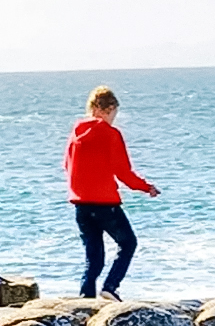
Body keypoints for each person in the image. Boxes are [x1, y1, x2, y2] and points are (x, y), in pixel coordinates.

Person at [64, 86, 159, 301]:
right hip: (105, 203)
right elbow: (123, 172)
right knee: (128, 243)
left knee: (93, 257)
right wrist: (146, 187)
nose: (114, 118)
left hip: (81, 204)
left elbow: (67, 165)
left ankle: (86, 300)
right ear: (109, 109)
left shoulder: (76, 131)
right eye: (114, 113)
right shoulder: (110, 134)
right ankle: (111, 286)